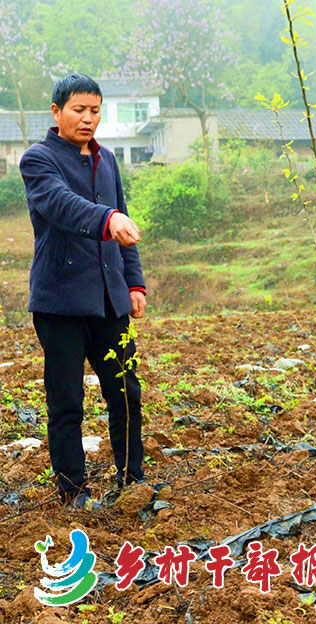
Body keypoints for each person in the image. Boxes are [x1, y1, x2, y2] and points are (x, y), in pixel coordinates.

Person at [19, 73, 147, 511]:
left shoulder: (107, 160)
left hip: (110, 301)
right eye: (79, 109)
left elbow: (124, 222)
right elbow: (59, 204)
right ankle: (74, 493)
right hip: (60, 304)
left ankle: (134, 483)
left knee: (126, 394)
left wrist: (134, 283)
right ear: (56, 113)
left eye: (95, 110)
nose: (88, 118)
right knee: (67, 401)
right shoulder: (38, 160)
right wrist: (107, 218)